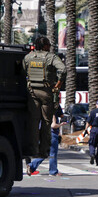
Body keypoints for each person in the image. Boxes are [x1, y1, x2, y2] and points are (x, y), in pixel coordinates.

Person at [23, 36, 66, 171]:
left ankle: (33, 149)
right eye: (48, 44)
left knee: (34, 122)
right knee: (46, 122)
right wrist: (58, 84)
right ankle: (43, 151)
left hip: (32, 92)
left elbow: (23, 69)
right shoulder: (50, 57)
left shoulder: (28, 57)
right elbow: (63, 70)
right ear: (46, 46)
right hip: (46, 92)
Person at [26, 106, 66, 176]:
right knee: (53, 154)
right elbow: (53, 125)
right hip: (52, 134)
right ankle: (53, 171)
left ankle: (31, 166)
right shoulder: (52, 113)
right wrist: (60, 124)